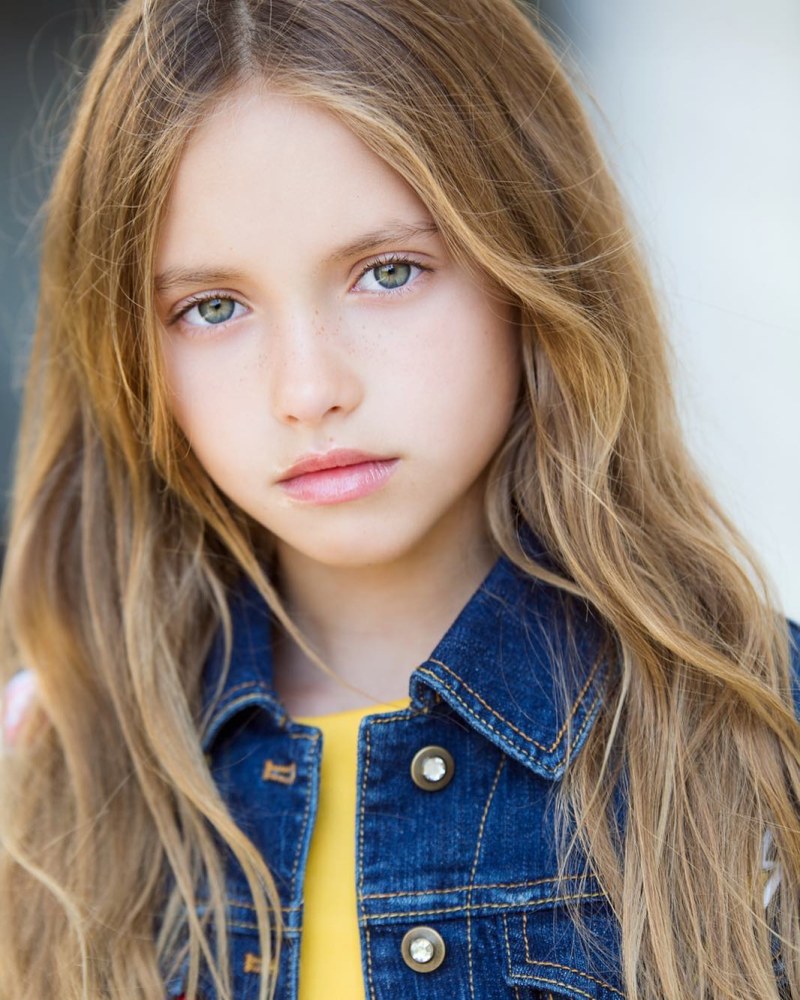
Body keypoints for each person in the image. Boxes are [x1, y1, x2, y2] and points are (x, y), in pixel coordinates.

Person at [0, 0, 797, 997]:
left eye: (387, 272)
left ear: (528, 262)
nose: (308, 390)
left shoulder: (754, 742)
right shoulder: (52, 794)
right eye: (213, 307)